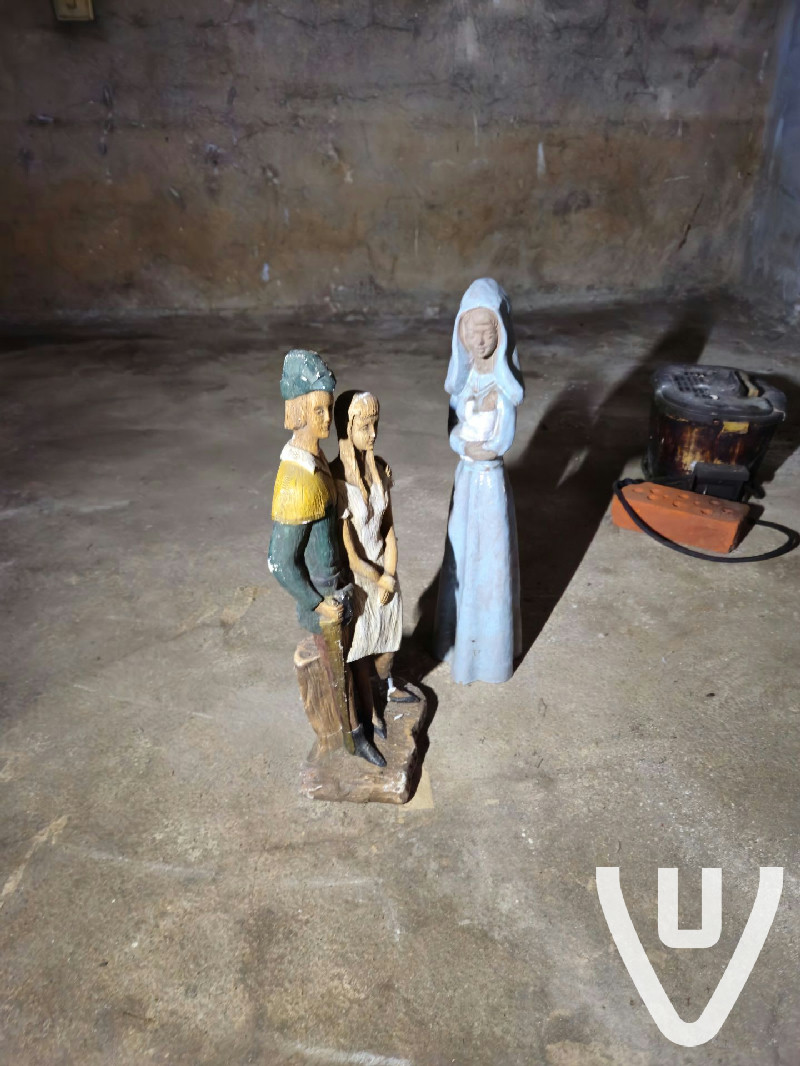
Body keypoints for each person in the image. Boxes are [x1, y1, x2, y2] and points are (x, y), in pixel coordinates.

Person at [268, 350, 385, 765]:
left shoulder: (315, 459)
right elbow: (279, 561)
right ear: (298, 412)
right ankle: (355, 739)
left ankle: (370, 719)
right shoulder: (295, 480)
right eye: (318, 410)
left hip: (340, 583)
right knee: (340, 677)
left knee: (357, 658)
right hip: (324, 597)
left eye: (327, 408)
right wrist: (317, 604)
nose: (326, 418)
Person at [433, 278, 524, 684]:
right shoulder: (465, 380)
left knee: (488, 562)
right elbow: (452, 430)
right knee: (460, 553)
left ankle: (487, 653)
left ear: (500, 333)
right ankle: (454, 639)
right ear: (461, 334)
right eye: (472, 332)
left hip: (488, 484)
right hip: (467, 480)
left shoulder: (503, 388)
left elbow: (502, 440)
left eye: (487, 332)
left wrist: (480, 451)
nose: (480, 340)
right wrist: (463, 445)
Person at [331, 391, 418, 740]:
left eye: (375, 424)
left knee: (389, 646)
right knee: (362, 649)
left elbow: (390, 530)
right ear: (346, 427)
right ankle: (369, 710)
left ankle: (389, 684)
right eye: (365, 426)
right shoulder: (337, 480)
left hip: (385, 572)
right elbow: (350, 554)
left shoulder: (380, 469)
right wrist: (379, 578)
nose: (373, 433)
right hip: (362, 579)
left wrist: (391, 574)